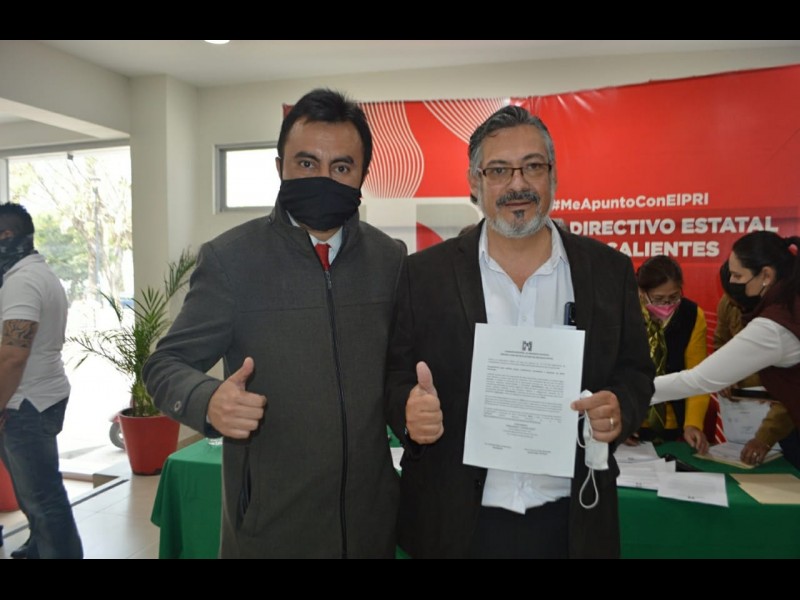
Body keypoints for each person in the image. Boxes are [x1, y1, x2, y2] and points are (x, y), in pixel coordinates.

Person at [142, 88, 406, 558]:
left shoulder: (390, 259)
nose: (323, 179)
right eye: (307, 163)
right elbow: (165, 364)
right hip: (270, 529)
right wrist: (207, 400)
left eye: (341, 167)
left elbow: (399, 370)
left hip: (370, 525)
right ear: (280, 166)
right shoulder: (230, 260)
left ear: (363, 174)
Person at [385, 105, 655, 559]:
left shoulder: (609, 270)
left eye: (532, 166)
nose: (517, 184)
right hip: (457, 523)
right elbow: (394, 375)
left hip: (571, 523)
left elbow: (635, 372)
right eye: (498, 170)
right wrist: (407, 410)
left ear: (553, 175)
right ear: (474, 183)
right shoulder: (423, 274)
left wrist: (620, 408)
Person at [653, 230, 800, 466]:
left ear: (766, 275)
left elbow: (699, 380)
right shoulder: (789, 302)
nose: (730, 282)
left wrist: (631, 392)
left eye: (737, 275)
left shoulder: (776, 325)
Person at [0, 202, 83, 559]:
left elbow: (13, 355)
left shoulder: (22, 282)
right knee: (31, 492)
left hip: (25, 403)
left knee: (44, 498)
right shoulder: (35, 272)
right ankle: (38, 547)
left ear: (7, 236)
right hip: (38, 395)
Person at [714, 261, 800, 469]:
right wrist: (724, 374)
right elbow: (721, 343)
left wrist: (765, 437)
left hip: (787, 419)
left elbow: (792, 387)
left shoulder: (786, 316)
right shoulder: (730, 302)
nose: (742, 310)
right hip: (746, 416)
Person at [626, 255, 709, 452]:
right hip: (631, 420)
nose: (667, 305)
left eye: (674, 297)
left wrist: (693, 424)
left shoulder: (691, 315)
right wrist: (622, 419)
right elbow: (614, 370)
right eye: (658, 299)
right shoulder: (625, 313)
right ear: (641, 292)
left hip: (675, 423)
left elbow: (698, 374)